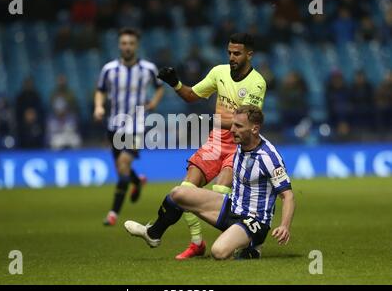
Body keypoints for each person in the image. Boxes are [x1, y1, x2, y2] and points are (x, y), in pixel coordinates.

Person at [125, 105, 295, 260]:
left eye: (238, 126)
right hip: (233, 207)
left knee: (218, 252)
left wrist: (284, 226)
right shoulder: (242, 141)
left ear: (255, 129)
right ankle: (153, 234)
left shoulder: (269, 157)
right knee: (178, 194)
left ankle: (252, 247)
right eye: (233, 124)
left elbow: (288, 196)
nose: (232, 130)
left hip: (254, 221)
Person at [155, 33, 267, 259]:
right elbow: (191, 95)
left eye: (237, 53)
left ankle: (239, 240)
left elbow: (243, 122)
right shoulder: (219, 72)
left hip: (238, 143)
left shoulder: (257, 83)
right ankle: (197, 243)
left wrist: (210, 119)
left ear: (249, 54)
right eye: (229, 53)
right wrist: (175, 83)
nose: (232, 57)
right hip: (216, 140)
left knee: (220, 190)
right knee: (187, 189)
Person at [93, 27, 165, 226]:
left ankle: (113, 214)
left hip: (137, 126)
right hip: (114, 125)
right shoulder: (109, 70)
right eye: (124, 43)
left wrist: (154, 103)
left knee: (123, 165)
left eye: (131, 43)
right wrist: (98, 106)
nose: (127, 47)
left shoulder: (148, 69)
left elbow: (160, 88)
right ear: (119, 45)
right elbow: (100, 91)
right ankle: (137, 181)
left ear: (137, 46)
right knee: (121, 168)